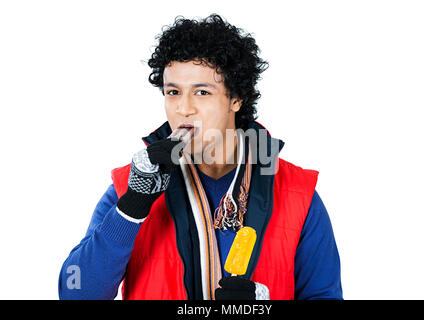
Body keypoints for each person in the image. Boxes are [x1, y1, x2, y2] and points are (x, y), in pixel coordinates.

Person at [58, 13, 343, 300]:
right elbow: (76, 293)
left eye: (202, 92)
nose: (184, 108)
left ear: (236, 98)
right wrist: (132, 206)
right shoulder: (130, 186)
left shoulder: (297, 194)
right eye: (173, 92)